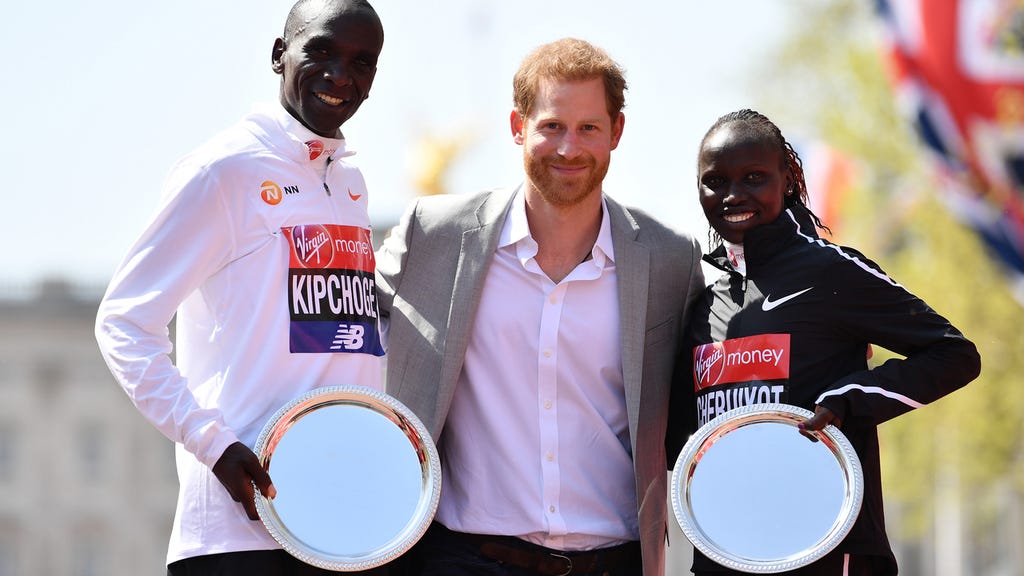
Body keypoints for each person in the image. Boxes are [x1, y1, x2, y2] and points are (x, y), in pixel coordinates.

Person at [374, 38, 704, 576]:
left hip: (614, 562)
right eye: (551, 125)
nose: (569, 148)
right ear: (517, 125)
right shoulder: (433, 236)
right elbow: (345, 326)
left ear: (616, 132)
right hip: (458, 557)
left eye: (589, 128)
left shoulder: (670, 258)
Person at [94, 1, 388, 574]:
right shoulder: (223, 169)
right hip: (237, 536)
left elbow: (339, 338)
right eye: (321, 50)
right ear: (280, 54)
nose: (340, 75)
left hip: (343, 527)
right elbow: (124, 322)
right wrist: (214, 444)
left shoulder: (350, 181)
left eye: (362, 62)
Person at [671, 108, 982, 575]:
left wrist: (851, 398)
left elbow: (955, 355)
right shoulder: (703, 305)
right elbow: (680, 435)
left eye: (754, 177)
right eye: (714, 182)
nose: (733, 195)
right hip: (726, 553)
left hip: (830, 549)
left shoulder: (831, 271)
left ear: (790, 177)